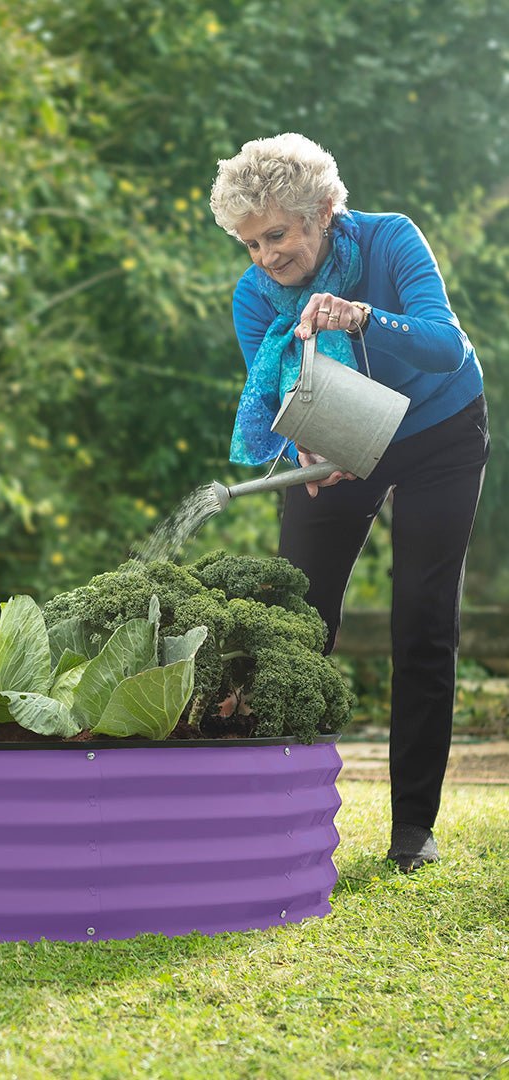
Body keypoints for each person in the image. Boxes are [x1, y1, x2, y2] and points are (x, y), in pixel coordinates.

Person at [209, 133, 488, 872]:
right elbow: (285, 402)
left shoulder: (391, 240)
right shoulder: (253, 297)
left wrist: (359, 315)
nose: (266, 256)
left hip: (439, 428)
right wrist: (308, 450)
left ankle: (412, 833)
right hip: (349, 437)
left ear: (324, 210)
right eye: (250, 243)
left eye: (278, 234)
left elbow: (446, 347)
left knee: (424, 621)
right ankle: (272, 818)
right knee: (297, 625)